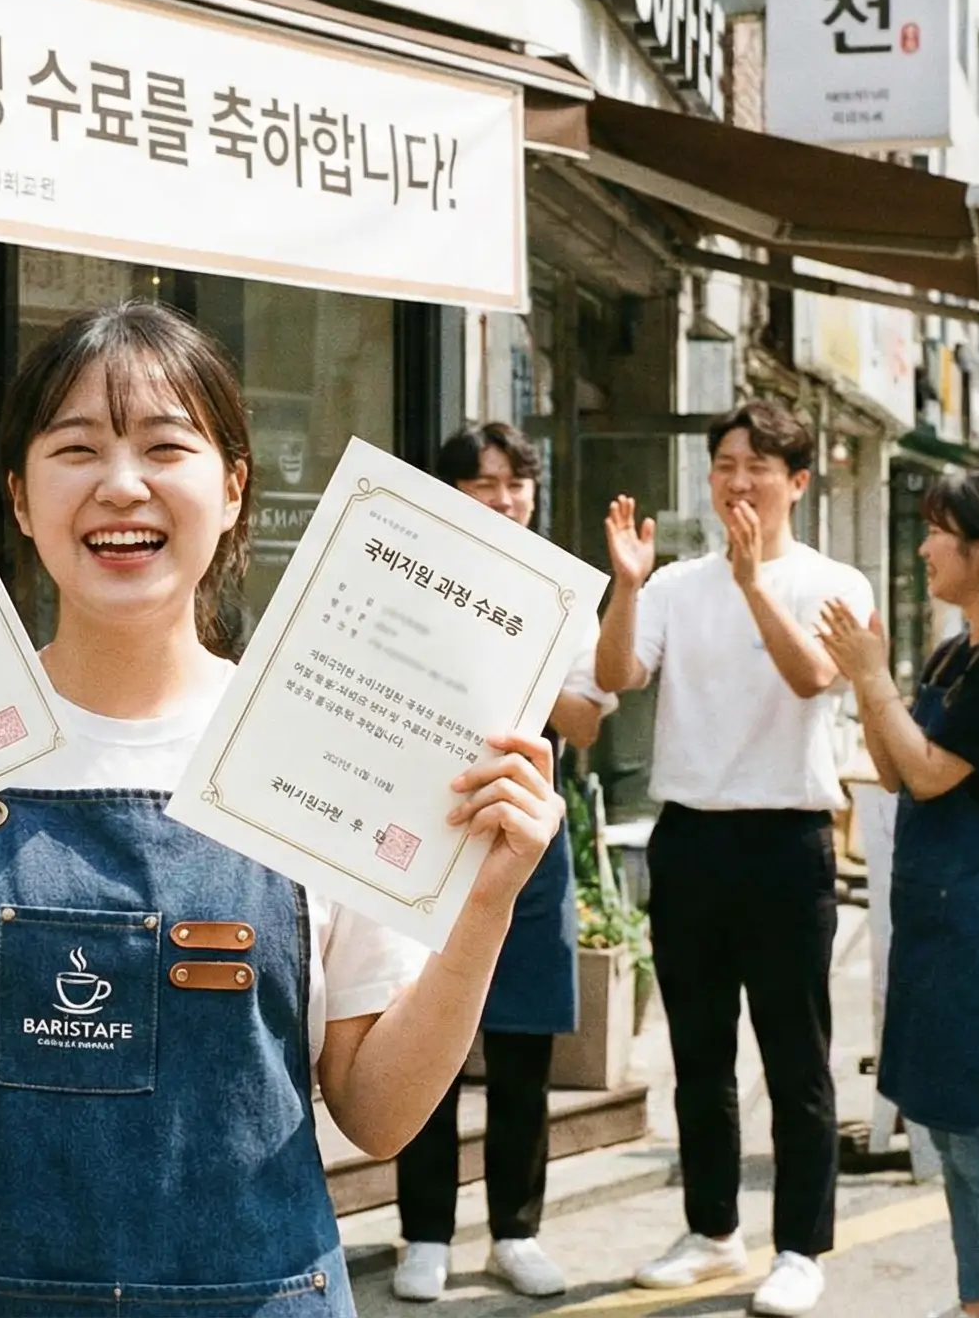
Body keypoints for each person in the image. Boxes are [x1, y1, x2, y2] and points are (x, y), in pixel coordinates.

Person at [0, 302, 566, 1315]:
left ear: (232, 488)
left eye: (166, 446)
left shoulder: (321, 744)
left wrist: (482, 906)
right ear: (20, 500)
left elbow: (378, 1115)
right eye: (74, 448)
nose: (120, 485)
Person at [593, 401, 875, 1317]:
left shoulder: (836, 584)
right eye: (724, 464)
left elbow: (814, 680)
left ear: (798, 481)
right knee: (698, 1052)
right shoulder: (675, 583)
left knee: (797, 1057)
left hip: (788, 841)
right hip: (691, 838)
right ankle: (713, 1229)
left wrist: (756, 584)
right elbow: (617, 674)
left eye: (758, 465)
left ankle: (800, 1247)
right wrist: (628, 583)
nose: (738, 480)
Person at [818, 467, 979, 1318]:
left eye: (938, 532)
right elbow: (893, 769)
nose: (924, 546)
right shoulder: (957, 652)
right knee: (954, 1133)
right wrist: (868, 679)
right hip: (945, 918)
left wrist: (871, 675)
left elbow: (928, 774)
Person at [391, 422, 618, 1303]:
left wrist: (515, 649)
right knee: (425, 1043)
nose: (506, 499)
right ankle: (425, 1232)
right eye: (485, 484)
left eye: (518, 483)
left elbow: (590, 722)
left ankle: (517, 1231)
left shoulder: (560, 594)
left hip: (528, 834)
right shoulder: (411, 577)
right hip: (429, 823)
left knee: (522, 1047)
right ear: (451, 492)